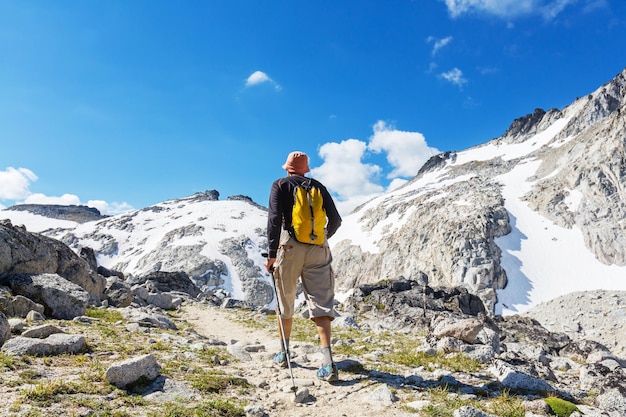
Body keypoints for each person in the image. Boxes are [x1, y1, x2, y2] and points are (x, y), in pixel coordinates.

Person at [265, 151, 342, 382]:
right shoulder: (318, 186)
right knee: (321, 303)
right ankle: (328, 363)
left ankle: (284, 353)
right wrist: (323, 237)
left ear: (287, 167)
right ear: (305, 168)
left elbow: (274, 219)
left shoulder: (280, 185)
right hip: (319, 247)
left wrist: (271, 255)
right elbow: (336, 220)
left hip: (289, 247)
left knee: (285, 300)